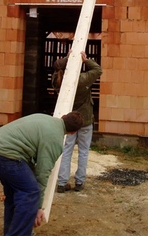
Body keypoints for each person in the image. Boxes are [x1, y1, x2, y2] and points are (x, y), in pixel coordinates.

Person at [0, 111, 84, 236]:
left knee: (14, 193)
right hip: (7, 154)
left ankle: (10, 232)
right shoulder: (55, 140)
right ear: (73, 132)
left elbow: (29, 156)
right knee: (31, 192)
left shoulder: (43, 118)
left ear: (63, 117)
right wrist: (38, 207)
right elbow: (42, 174)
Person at [52, 51, 103, 193]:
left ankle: (62, 183)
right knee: (83, 151)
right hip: (85, 119)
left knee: (66, 150)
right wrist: (85, 60)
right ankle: (79, 182)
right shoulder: (80, 80)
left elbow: (58, 67)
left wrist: (68, 58)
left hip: (68, 120)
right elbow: (98, 70)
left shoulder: (57, 80)